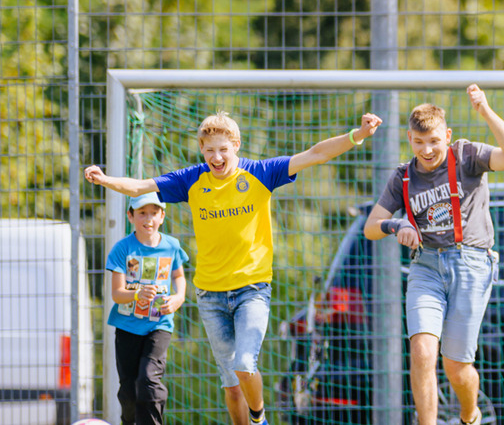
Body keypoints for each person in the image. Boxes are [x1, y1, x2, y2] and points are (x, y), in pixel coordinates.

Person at [85, 111, 381, 425]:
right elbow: (139, 186)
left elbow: (316, 154)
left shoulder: (261, 173)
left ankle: (260, 419)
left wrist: (357, 135)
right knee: (231, 385)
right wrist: (105, 180)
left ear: (236, 145)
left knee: (245, 363)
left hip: (252, 290)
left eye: (223, 149)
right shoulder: (192, 180)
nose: (216, 157)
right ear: (202, 150)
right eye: (209, 150)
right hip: (210, 295)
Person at [361, 84, 504, 425]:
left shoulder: (467, 155)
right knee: (422, 352)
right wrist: (396, 225)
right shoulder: (403, 175)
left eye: (433, 141)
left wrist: (486, 111)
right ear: (409, 139)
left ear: (446, 135)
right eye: (418, 142)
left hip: (472, 262)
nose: (427, 150)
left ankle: (469, 414)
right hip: (426, 266)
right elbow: (371, 227)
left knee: (456, 367)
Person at [105, 193, 189, 425]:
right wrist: (137, 294)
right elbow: (116, 294)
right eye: (142, 213)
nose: (148, 219)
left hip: (159, 325)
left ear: (162, 216)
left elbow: (179, 276)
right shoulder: (122, 249)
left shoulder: (172, 245)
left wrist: (179, 297)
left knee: (149, 380)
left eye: (154, 213)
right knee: (129, 389)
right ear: (130, 216)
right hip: (127, 327)